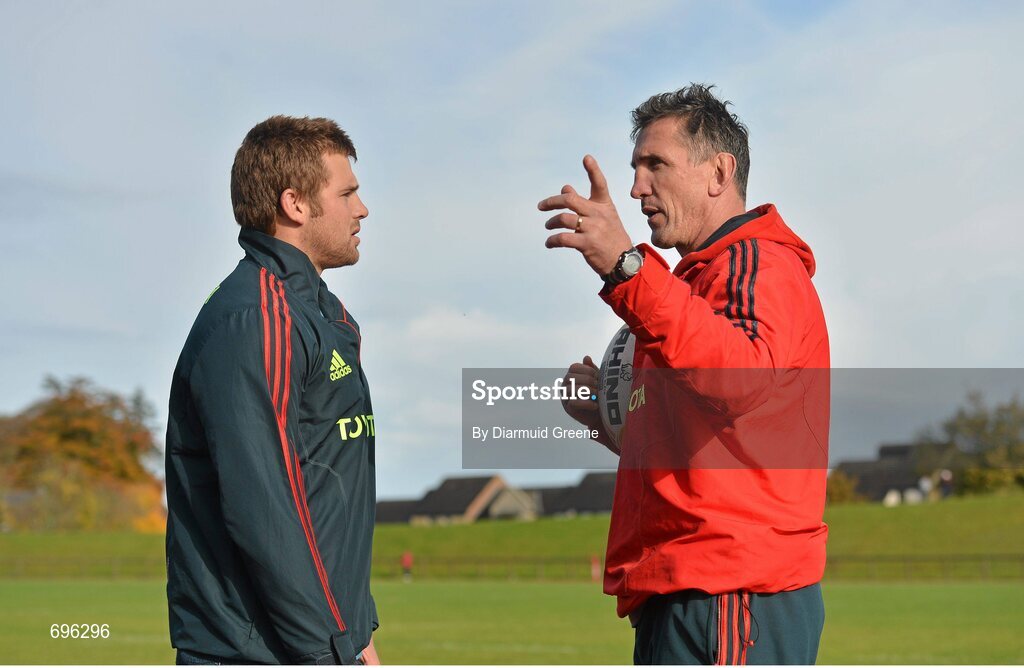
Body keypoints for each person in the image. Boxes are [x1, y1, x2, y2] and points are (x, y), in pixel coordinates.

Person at [541, 84, 829, 664]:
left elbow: (740, 380)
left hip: (729, 592)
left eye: (656, 164)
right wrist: (612, 421)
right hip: (692, 591)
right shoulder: (693, 287)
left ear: (718, 173)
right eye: (635, 166)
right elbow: (715, 437)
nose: (636, 186)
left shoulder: (755, 262)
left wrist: (627, 266)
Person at [165, 115, 380, 665]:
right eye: (348, 193)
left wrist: (359, 634)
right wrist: (328, 650)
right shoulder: (258, 319)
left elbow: (324, 494)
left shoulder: (318, 312)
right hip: (260, 651)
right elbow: (265, 510)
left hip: (320, 642)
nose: (363, 209)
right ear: (295, 203)